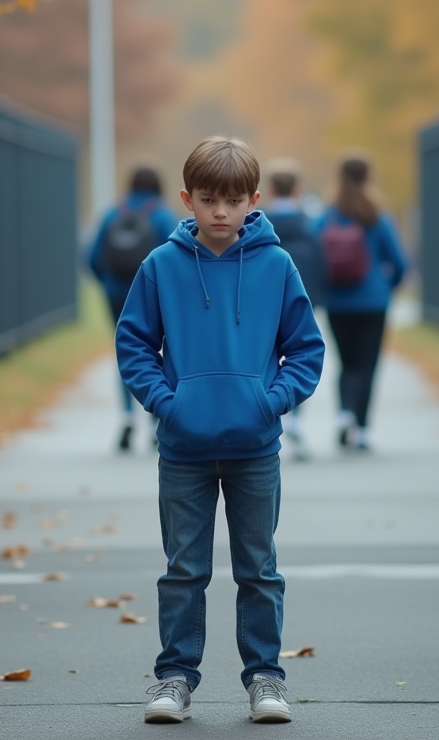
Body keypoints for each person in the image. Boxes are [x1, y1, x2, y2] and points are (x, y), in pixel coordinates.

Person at [115, 136, 325, 724]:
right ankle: (174, 679)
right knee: (184, 570)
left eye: (232, 201)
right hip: (183, 449)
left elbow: (305, 349)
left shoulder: (277, 265)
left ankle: (266, 679)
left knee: (258, 568)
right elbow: (134, 343)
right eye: (208, 200)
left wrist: (272, 402)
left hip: (255, 448)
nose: (220, 212)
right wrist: (166, 403)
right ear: (187, 199)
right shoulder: (161, 266)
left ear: (253, 200)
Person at [315, 154, 408, 453]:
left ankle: (344, 414)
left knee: (346, 363)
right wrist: (385, 289)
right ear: (369, 177)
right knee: (368, 364)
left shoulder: (326, 216)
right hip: (373, 302)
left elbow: (315, 258)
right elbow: (401, 263)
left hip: (338, 302)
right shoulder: (377, 217)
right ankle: (364, 429)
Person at [86, 166, 177, 451]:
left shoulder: (113, 213)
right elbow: (177, 257)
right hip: (155, 293)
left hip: (117, 293)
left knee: (126, 350)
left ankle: (127, 416)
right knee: (161, 350)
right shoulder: (162, 215)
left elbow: (90, 257)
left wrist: (108, 283)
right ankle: (155, 418)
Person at [262, 158, 326, 461]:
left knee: (268, 353)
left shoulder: (260, 223)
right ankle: (296, 416)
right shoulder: (309, 224)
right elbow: (321, 261)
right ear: (298, 189)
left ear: (270, 190)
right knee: (299, 355)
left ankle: (268, 409)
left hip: (267, 297)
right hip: (304, 297)